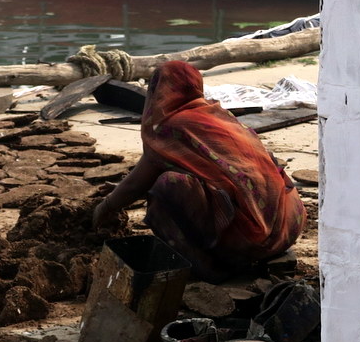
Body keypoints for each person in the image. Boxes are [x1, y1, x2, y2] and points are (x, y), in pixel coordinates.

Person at [92, 61, 306, 283]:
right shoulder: (218, 115)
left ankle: (209, 269)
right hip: (288, 227)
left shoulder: (170, 127)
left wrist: (104, 207)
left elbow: (136, 184)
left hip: (253, 239)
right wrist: (122, 189)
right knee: (171, 180)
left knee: (166, 187)